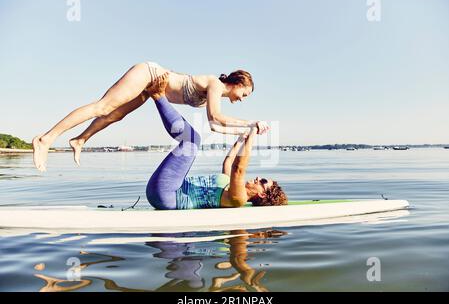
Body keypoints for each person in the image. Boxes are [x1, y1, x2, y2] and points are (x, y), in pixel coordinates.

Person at [32, 61, 270, 171]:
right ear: (237, 83)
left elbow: (215, 126)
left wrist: (247, 132)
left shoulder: (212, 95)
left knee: (115, 116)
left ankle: (80, 139)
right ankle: (46, 138)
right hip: (148, 74)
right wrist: (251, 122)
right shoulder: (216, 85)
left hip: (150, 89)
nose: (243, 99)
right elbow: (217, 117)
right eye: (245, 93)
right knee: (103, 107)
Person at [145, 74, 287, 210]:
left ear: (262, 194)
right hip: (166, 190)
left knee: (192, 140)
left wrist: (252, 132)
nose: (258, 178)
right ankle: (158, 96)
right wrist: (241, 139)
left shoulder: (239, 198)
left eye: (262, 182)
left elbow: (238, 169)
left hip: (169, 194)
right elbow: (228, 163)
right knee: (192, 139)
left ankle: (158, 96)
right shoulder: (229, 185)